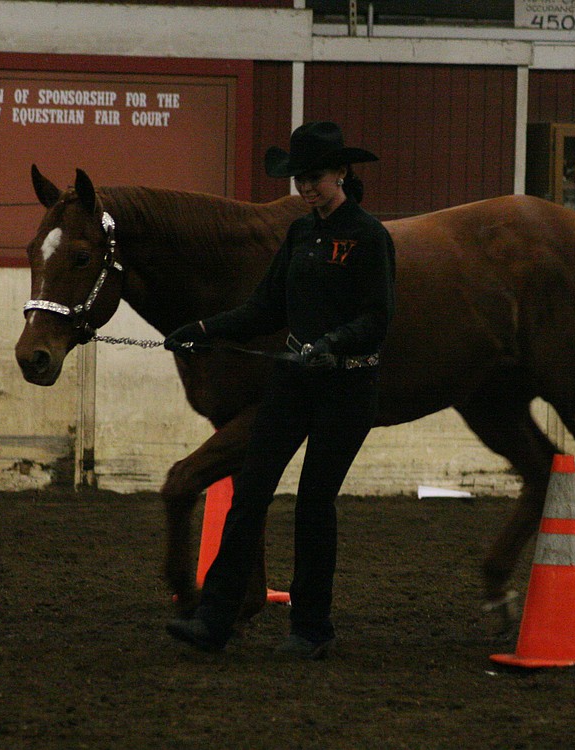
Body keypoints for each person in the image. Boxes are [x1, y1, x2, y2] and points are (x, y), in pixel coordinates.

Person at [162, 121, 396, 660]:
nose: (305, 188)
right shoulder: (301, 234)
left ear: (341, 172)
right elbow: (265, 309)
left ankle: (312, 628)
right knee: (249, 496)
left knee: (315, 503)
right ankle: (215, 620)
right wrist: (204, 330)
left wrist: (329, 343)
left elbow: (378, 318)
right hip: (294, 381)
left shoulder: (369, 237)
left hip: (347, 386)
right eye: (299, 179)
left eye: (313, 177)